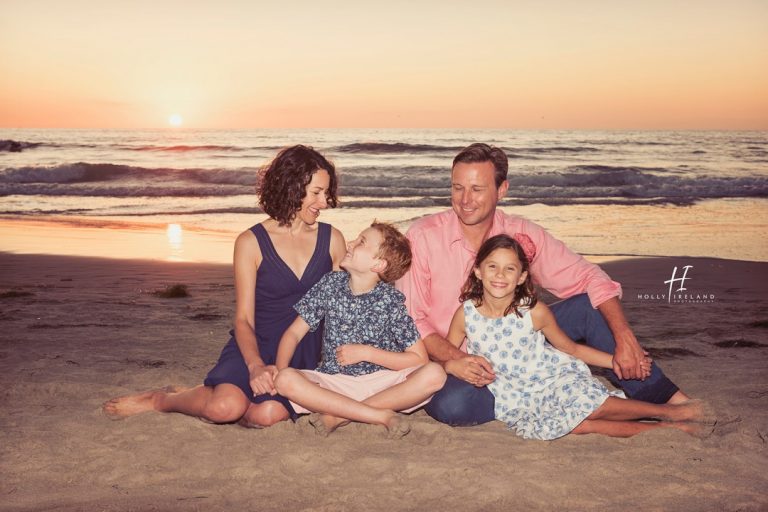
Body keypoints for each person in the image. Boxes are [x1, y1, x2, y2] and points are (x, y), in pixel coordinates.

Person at [396, 142, 690, 427]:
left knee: (589, 307)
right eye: (457, 187)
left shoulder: (522, 233)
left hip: (519, 342)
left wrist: (625, 338)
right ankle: (532, 398)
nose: (465, 200)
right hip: (452, 354)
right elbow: (411, 319)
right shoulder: (423, 236)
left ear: (502, 190)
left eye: (477, 189)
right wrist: (457, 358)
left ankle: (671, 400)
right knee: (452, 407)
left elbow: (590, 277)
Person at [103, 145, 347, 427]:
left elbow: (345, 310)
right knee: (224, 408)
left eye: (326, 193)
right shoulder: (250, 242)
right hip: (255, 345)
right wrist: (255, 366)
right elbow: (243, 319)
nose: (325, 202)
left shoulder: (333, 240)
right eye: (317, 192)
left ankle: (216, 397)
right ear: (292, 186)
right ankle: (161, 399)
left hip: (302, 352)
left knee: (264, 415)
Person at [447, 234, 706, 439]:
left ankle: (670, 412)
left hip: (552, 379)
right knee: (576, 426)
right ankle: (668, 428)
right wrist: (453, 365)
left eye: (509, 269)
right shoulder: (466, 314)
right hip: (514, 395)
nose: (500, 275)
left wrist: (616, 361)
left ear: (522, 276)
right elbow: (449, 353)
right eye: (492, 266)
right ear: (478, 271)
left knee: (589, 407)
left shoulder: (533, 312)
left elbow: (571, 348)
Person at [274, 222, 446, 436]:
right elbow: (292, 333)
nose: (350, 243)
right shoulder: (330, 284)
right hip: (334, 383)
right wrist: (279, 370)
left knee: (435, 374)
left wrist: (367, 353)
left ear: (379, 265)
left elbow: (419, 358)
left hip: (382, 384)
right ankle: (380, 415)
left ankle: (339, 416)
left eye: (361, 242)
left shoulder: (390, 301)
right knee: (285, 379)